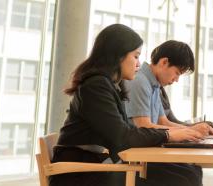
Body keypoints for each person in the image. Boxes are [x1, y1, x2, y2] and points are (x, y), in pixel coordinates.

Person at [50, 24, 204, 186]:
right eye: (135, 56)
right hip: (79, 175)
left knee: (187, 175)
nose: (138, 64)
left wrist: (173, 134)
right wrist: (168, 135)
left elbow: (125, 133)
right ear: (118, 56)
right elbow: (123, 137)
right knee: (183, 180)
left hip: (96, 166)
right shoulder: (95, 87)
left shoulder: (108, 85)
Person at [124, 40, 213, 136]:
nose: (176, 80)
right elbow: (144, 126)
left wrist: (192, 130)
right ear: (164, 62)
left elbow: (163, 122)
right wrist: (191, 131)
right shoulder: (140, 81)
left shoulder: (154, 85)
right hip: (133, 149)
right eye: (177, 73)